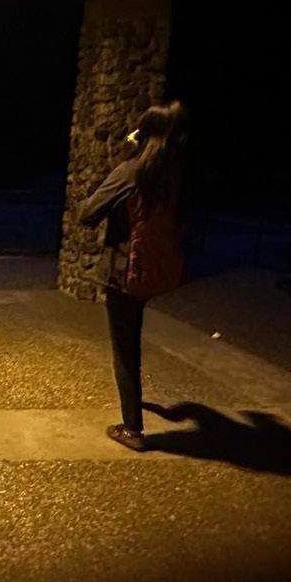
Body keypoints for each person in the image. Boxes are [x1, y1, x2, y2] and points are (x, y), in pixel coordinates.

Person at [78, 100, 189, 452]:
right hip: (151, 269)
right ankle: (134, 402)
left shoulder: (131, 171)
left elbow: (86, 213)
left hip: (123, 271)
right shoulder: (173, 174)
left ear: (143, 132)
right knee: (132, 338)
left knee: (124, 349)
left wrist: (122, 160)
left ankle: (132, 428)